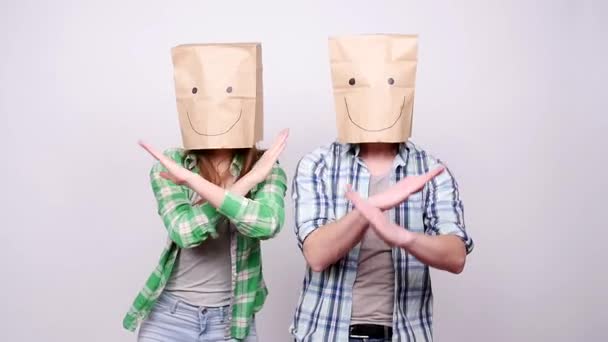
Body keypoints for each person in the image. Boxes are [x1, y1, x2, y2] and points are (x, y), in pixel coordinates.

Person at [290, 34, 474, 341]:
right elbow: (317, 255)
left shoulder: (430, 170)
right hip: (326, 332)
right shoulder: (318, 164)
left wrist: (402, 237)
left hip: (403, 334)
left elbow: (456, 257)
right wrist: (374, 207)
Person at [122, 42, 288, 341]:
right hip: (170, 317)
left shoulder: (268, 168)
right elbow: (184, 232)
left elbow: (267, 224)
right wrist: (245, 184)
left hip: (232, 318)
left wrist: (209, 186)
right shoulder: (173, 164)